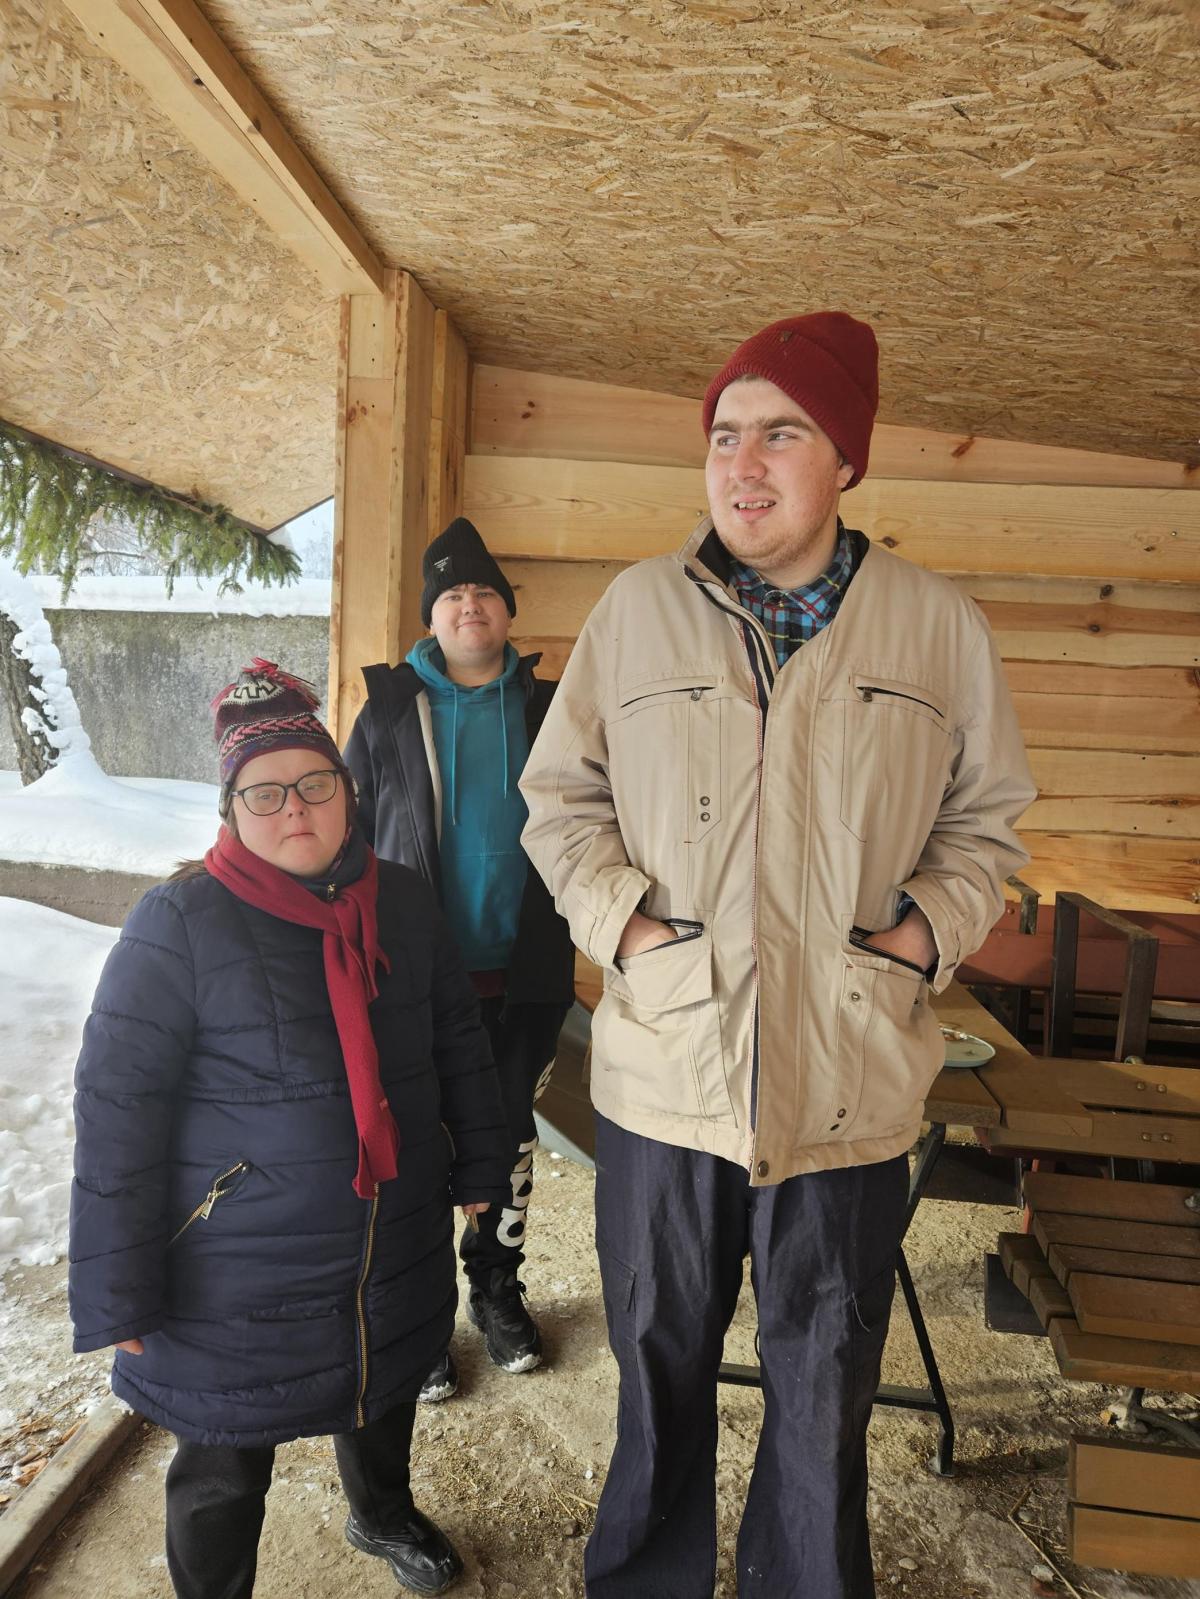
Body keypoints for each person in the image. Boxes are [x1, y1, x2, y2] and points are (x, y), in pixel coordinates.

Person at [518, 312, 1037, 1598]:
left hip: (849, 1083)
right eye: (723, 437)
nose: (741, 467)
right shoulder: (638, 612)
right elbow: (560, 801)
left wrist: (921, 938)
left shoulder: (936, 628)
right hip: (668, 1078)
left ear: (847, 459)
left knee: (824, 1387)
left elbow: (986, 824)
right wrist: (628, 929)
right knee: (656, 1372)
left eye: (781, 435)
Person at [69, 660, 512, 1599]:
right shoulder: (177, 923)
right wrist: (116, 1286)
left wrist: (480, 1159)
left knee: (384, 1386)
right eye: (264, 792)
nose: (295, 808)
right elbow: (115, 1115)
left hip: (392, 1229)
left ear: (348, 792)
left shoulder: (404, 902)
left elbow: (458, 1040)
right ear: (230, 810)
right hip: (236, 1266)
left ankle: (381, 1511)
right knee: (224, 1459)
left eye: (315, 783)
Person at [343, 518, 575, 1400]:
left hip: (524, 973)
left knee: (506, 1141)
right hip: (412, 979)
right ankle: (422, 1316)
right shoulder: (387, 710)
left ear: (507, 611)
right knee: (415, 1145)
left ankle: (496, 1289)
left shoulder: (554, 709)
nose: (468, 603)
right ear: (430, 617)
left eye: (483, 591)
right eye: (450, 594)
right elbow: (350, 837)